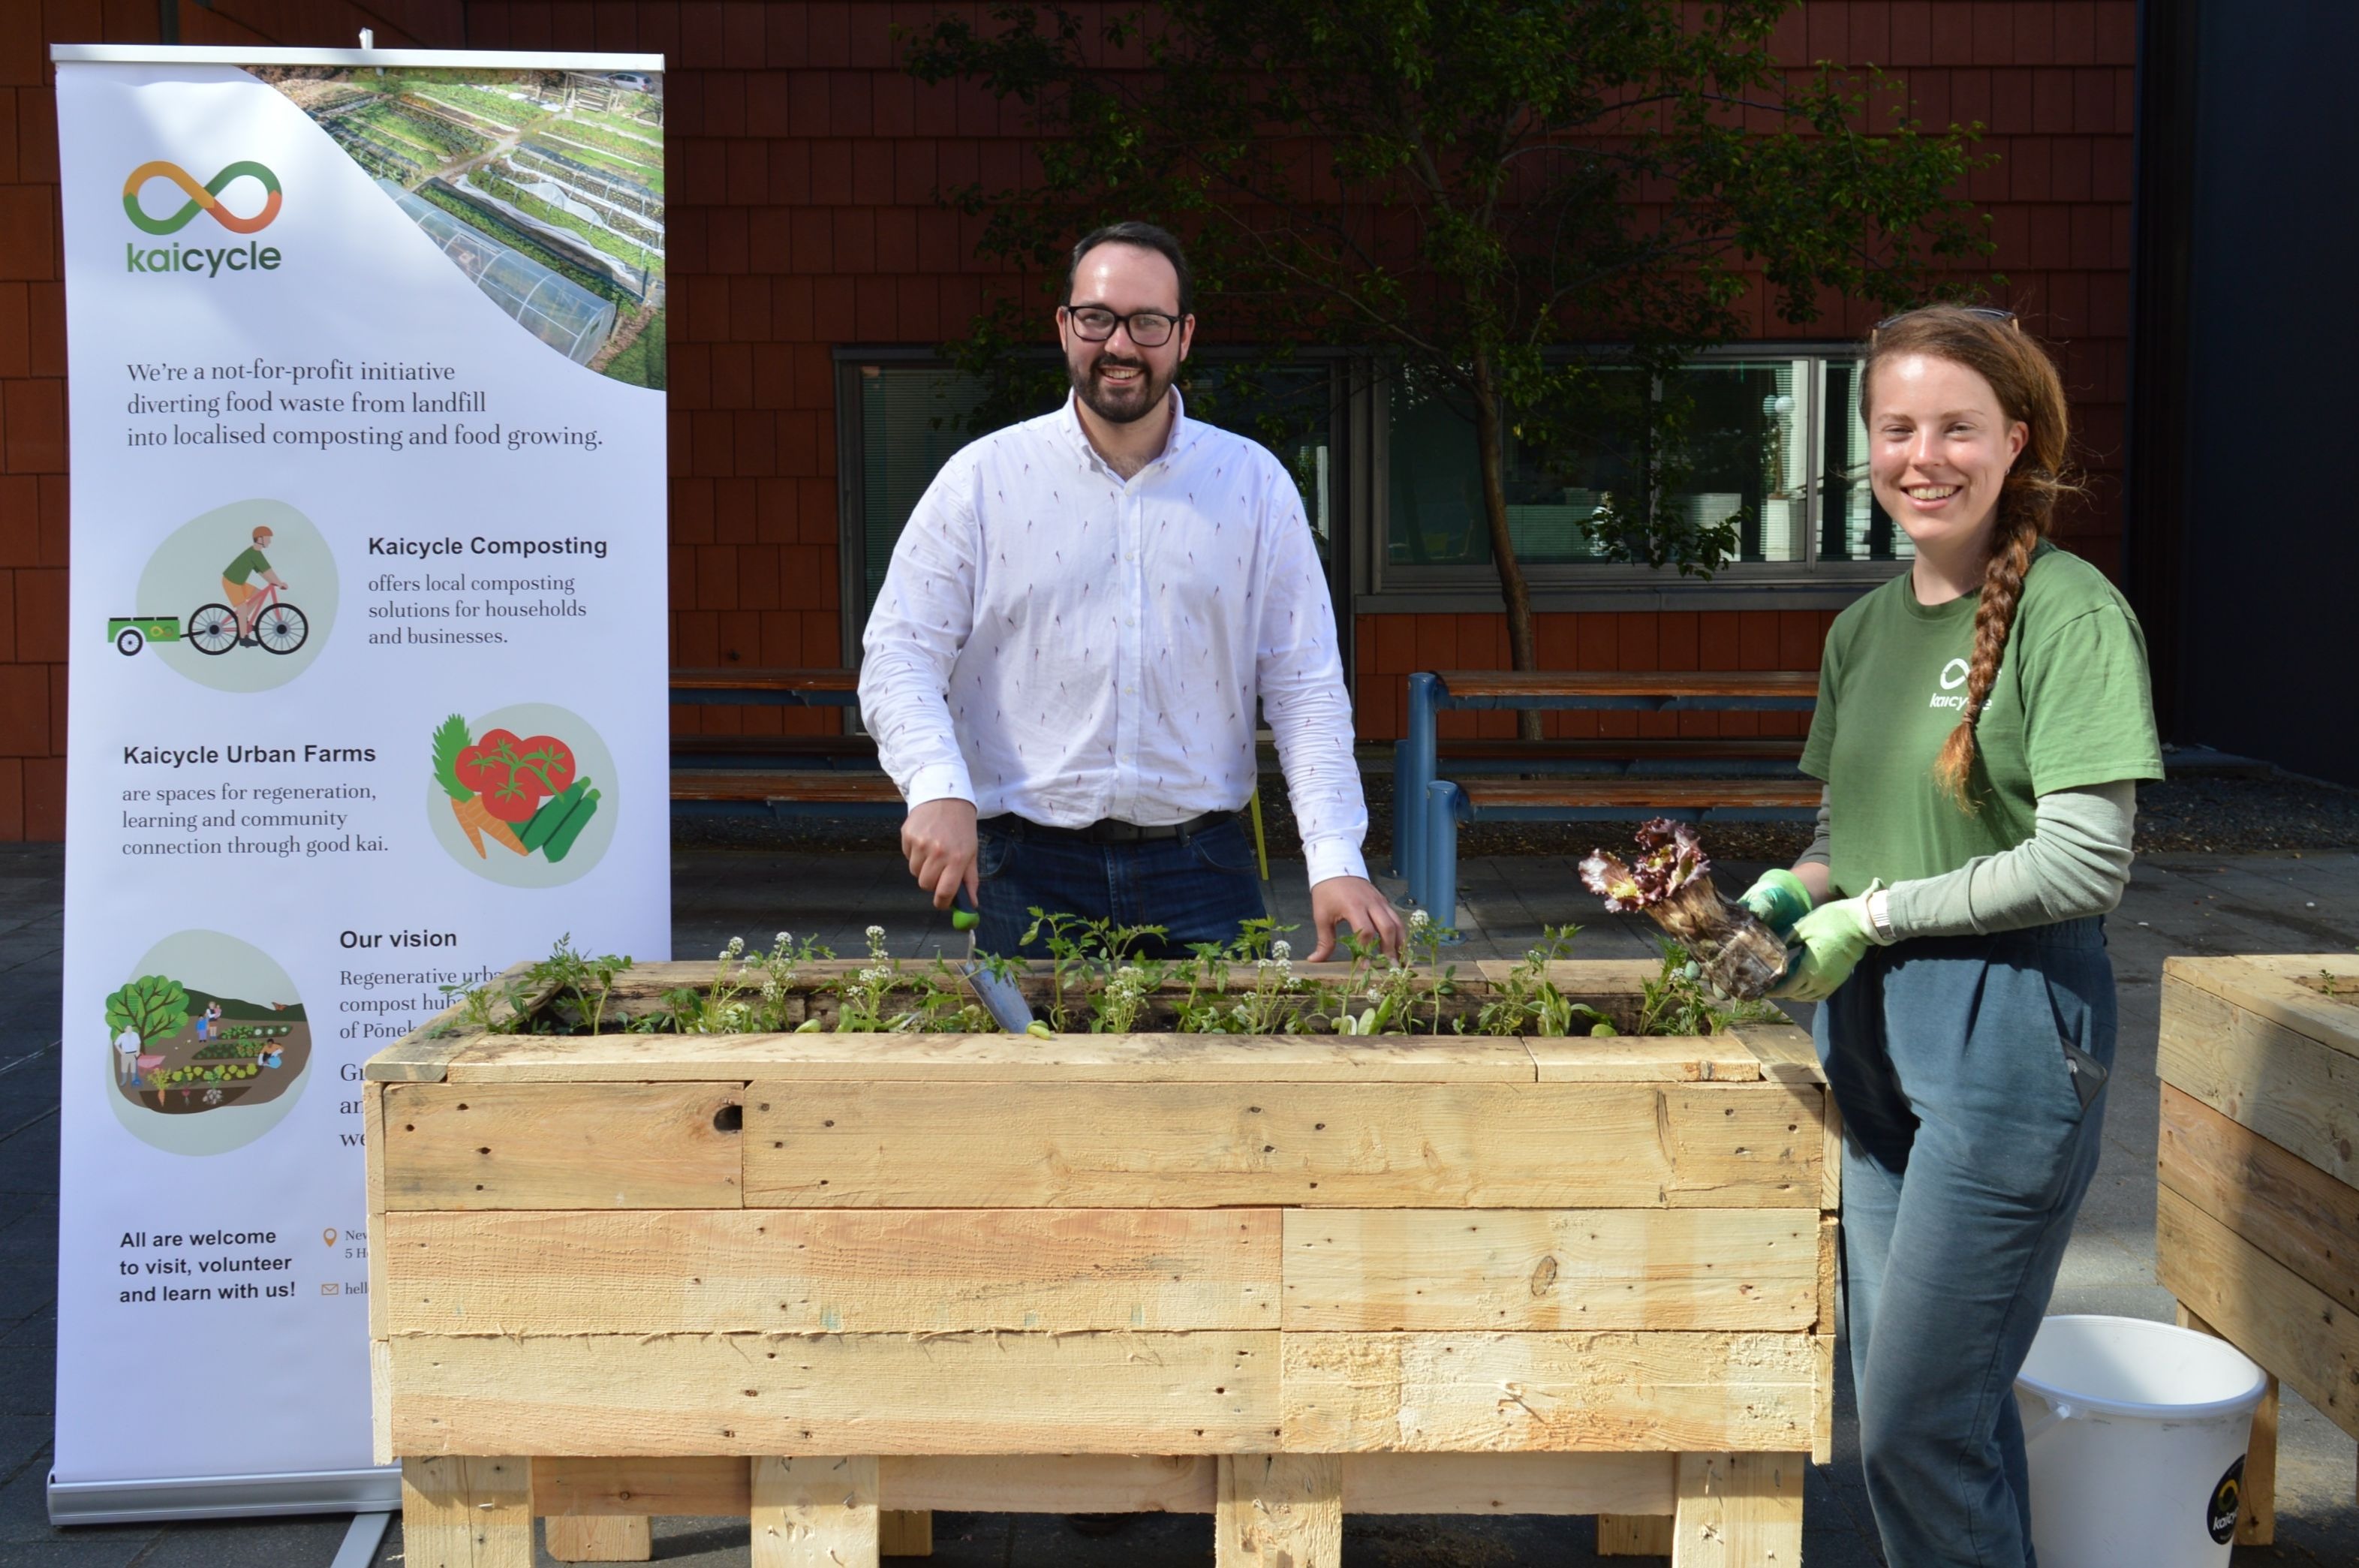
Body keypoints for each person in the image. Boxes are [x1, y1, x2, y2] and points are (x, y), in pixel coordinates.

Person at [1733, 304, 2162, 1566]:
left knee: (1920, 1422)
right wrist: (1781, 892)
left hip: (2007, 1030)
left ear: (2014, 439)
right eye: (1896, 426)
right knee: (1918, 1411)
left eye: (1956, 426)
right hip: (1866, 1031)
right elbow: (1847, 830)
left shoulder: (2069, 614)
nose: (1924, 454)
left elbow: (2085, 859)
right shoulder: (1861, 630)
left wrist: (1865, 914)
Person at [861, 221, 1403, 962]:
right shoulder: (979, 482)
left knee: (1214, 1080)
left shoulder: (1254, 486)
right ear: (1063, 326)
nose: (1119, 344)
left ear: (1183, 336)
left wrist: (1335, 857)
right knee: (1031, 1080)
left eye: (1147, 322)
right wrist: (935, 784)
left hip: (1203, 870)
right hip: (1022, 871)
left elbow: (1302, 684)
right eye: (1097, 317)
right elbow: (900, 651)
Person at [221, 525, 288, 644]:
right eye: (268, 538)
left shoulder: (256, 553)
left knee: (259, 594)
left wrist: (273, 582)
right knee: (242, 609)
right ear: (260, 538)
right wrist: (279, 583)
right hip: (231, 582)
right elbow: (267, 571)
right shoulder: (254, 553)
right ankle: (243, 638)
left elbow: (262, 572)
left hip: (239, 583)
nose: (270, 541)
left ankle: (243, 620)